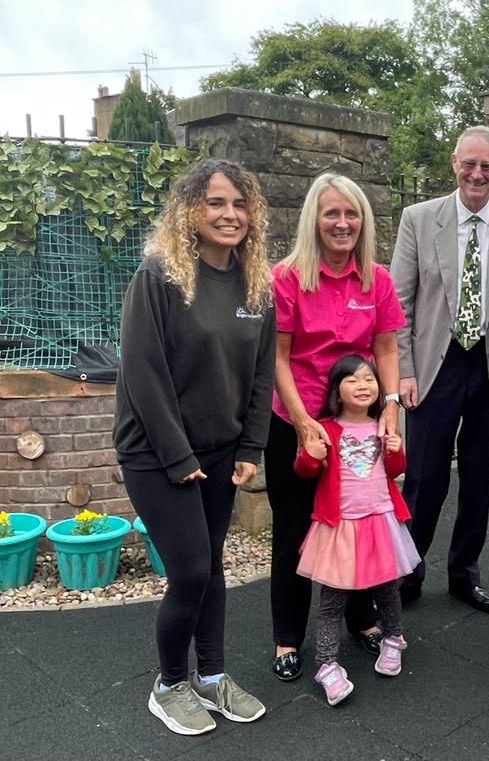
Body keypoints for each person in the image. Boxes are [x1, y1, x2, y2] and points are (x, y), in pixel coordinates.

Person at [113, 159, 274, 736]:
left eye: (239, 203)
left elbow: (260, 377)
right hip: (156, 454)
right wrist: (179, 459)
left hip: (221, 452)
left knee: (213, 568)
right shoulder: (160, 276)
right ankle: (168, 684)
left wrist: (250, 448)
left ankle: (211, 677)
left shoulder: (257, 286)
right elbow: (143, 372)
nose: (229, 214)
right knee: (190, 571)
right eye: (216, 203)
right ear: (191, 210)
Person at [390, 125, 489, 613]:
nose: (477, 173)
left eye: (487, 166)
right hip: (435, 365)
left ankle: (464, 574)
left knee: (478, 477)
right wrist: (404, 370)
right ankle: (407, 572)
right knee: (425, 477)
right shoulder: (418, 218)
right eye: (469, 163)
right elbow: (399, 304)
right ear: (454, 163)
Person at [266, 173, 406, 683]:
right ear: (314, 219)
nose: (342, 223)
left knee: (359, 521)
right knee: (297, 530)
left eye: (351, 214)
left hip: (356, 428)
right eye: (332, 214)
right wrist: (304, 421)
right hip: (296, 424)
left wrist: (390, 407)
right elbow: (278, 358)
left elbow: (387, 349)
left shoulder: (377, 279)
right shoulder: (286, 277)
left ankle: (361, 617)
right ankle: (287, 634)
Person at [293, 355, 419, 705]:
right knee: (332, 600)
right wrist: (311, 454)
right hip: (339, 527)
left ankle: (394, 639)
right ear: (336, 389)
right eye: (353, 380)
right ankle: (326, 665)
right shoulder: (326, 428)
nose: (363, 386)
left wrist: (396, 452)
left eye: (369, 379)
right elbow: (304, 470)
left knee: (388, 590)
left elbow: (394, 470)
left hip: (380, 520)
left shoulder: (384, 424)